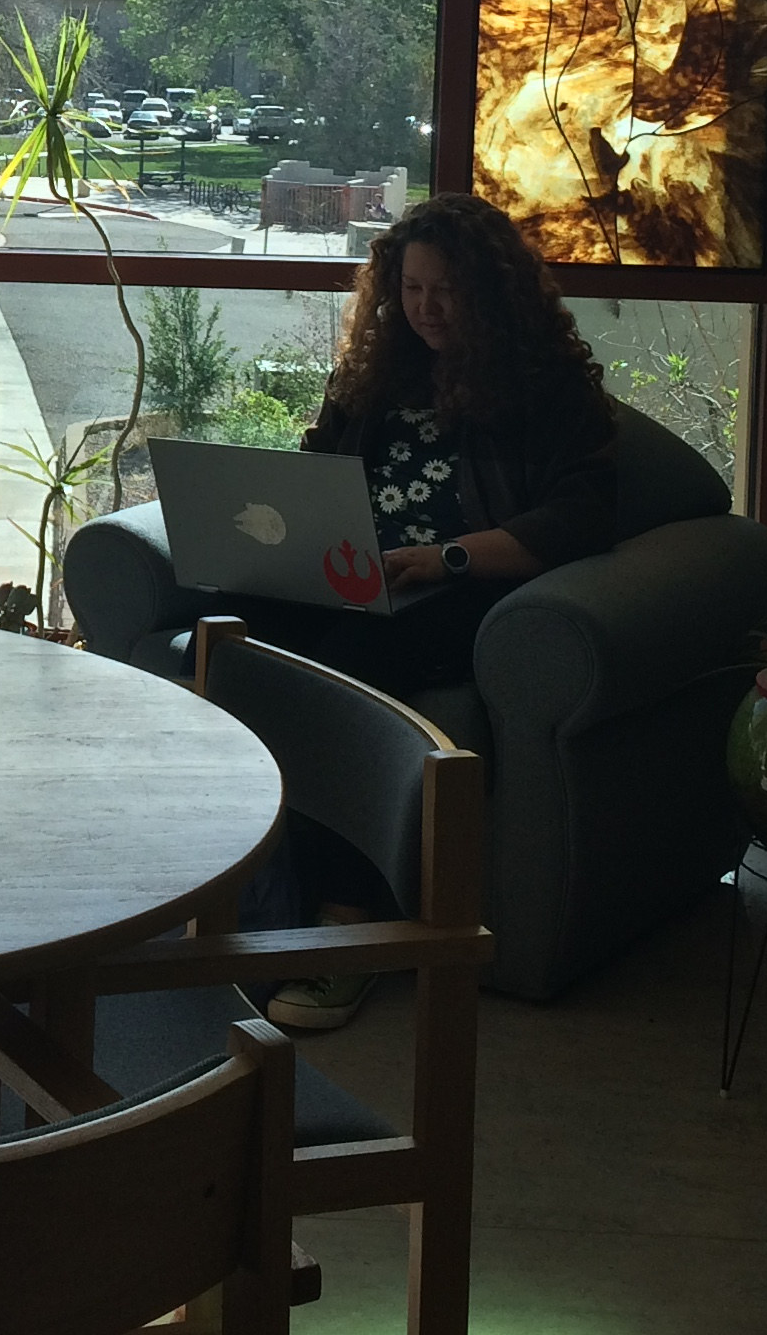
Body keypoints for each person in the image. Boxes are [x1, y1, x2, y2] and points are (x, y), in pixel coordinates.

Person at [211, 191, 620, 1030]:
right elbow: (317, 469)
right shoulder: (377, 375)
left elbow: (579, 518)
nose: (425, 309)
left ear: (493, 293)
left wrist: (448, 557)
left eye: (447, 291)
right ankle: (245, 896)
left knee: (341, 674)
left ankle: (349, 923)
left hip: (462, 589)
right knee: (227, 636)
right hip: (356, 571)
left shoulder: (547, 391)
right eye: (411, 288)